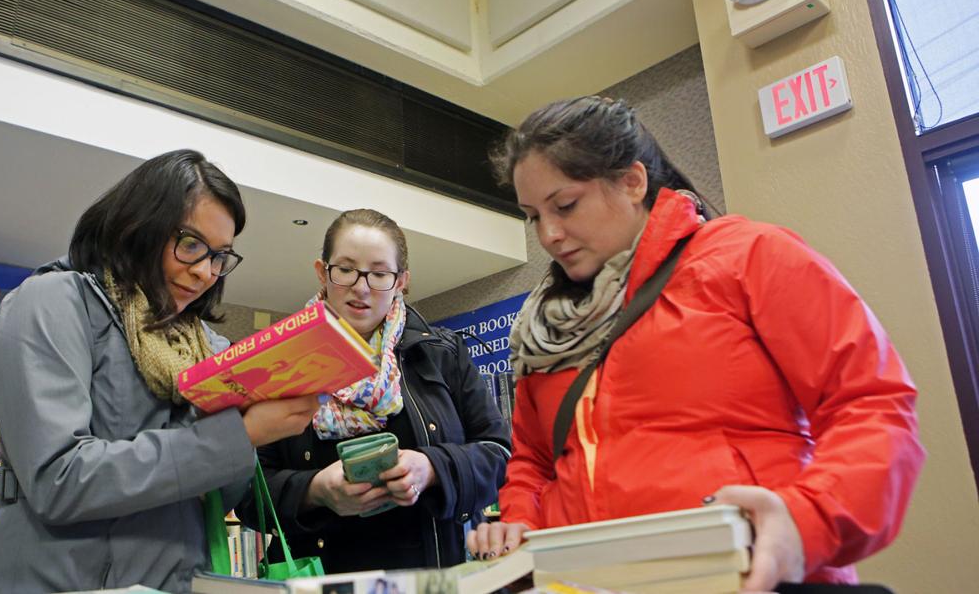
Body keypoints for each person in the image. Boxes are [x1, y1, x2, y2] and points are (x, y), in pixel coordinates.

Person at [465, 97, 925, 589]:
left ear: (632, 181)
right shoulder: (543, 327)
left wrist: (807, 519)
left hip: (748, 576)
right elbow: (533, 462)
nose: (549, 235)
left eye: (565, 205)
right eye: (533, 216)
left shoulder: (748, 256)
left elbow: (872, 404)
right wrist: (522, 529)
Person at [0, 150, 321, 594]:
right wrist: (239, 435)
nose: (204, 272)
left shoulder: (206, 347)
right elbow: (59, 479)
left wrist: (251, 420)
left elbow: (215, 497)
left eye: (219, 256)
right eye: (190, 244)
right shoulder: (51, 302)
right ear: (138, 226)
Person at [239, 209, 511, 572]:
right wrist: (316, 489)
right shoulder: (281, 364)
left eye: (380, 273)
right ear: (323, 271)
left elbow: (499, 454)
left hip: (430, 576)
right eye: (346, 270)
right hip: (324, 577)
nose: (361, 287)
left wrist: (431, 467)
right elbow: (246, 495)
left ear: (401, 281)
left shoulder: (442, 353)